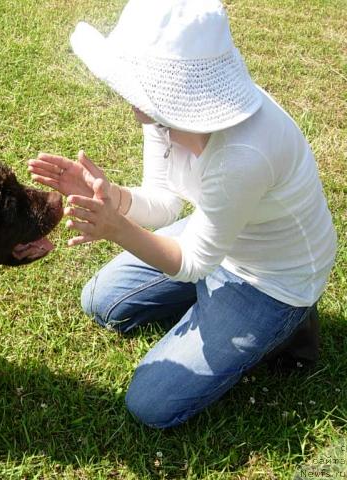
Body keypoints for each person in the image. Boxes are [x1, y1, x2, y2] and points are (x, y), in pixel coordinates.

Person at [26, 0, 337, 429]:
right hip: (220, 233)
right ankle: (217, 305)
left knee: (151, 405)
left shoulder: (243, 155)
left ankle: (291, 321)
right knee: (101, 302)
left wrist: (117, 229)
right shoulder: (165, 118)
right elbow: (164, 200)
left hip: (272, 279)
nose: (125, 98)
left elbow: (192, 263)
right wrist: (110, 196)